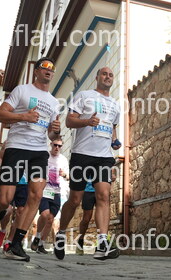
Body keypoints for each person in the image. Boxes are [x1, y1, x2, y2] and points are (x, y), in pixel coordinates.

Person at [0, 57, 61, 262]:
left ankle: (15, 243)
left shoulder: (54, 102)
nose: (49, 70)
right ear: (37, 71)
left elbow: (51, 134)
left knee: (36, 195)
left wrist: (55, 131)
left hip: (39, 150)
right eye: (45, 67)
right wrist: (23, 116)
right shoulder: (22, 91)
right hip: (17, 146)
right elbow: (0, 115)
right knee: (4, 200)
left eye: (52, 69)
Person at [54, 67, 121, 261]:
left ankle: (102, 243)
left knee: (104, 196)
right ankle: (61, 233)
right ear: (97, 77)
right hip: (82, 154)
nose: (107, 77)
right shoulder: (84, 96)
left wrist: (114, 141)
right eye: (104, 74)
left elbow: (112, 128)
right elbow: (69, 121)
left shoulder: (115, 105)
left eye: (110, 75)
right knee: (75, 199)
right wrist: (87, 122)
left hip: (104, 157)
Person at [31, 138, 69, 254]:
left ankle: (41, 244)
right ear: (51, 144)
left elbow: (68, 177)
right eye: (55, 145)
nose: (57, 147)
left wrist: (64, 175)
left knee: (50, 220)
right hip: (44, 190)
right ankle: (37, 236)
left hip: (57, 192)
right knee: (45, 214)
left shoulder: (63, 160)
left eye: (59, 146)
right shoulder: (45, 156)